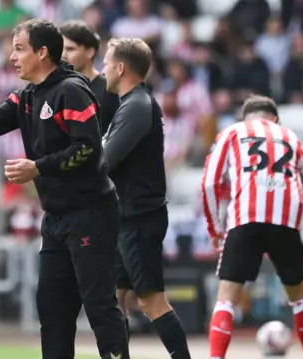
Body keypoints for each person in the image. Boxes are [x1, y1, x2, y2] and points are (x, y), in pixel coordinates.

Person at [0, 18, 129, 359]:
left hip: (91, 213)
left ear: (43, 52)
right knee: (51, 308)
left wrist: (38, 168)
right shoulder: (27, 96)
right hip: (57, 218)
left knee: (99, 306)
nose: (12, 56)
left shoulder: (71, 90)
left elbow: (89, 149)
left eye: (19, 49)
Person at [201, 95, 303, 359]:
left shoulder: (232, 132)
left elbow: (209, 182)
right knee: (300, 299)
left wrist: (215, 228)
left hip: (244, 220)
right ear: (275, 118)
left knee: (226, 299)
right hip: (285, 224)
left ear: (245, 118)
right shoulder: (290, 137)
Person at [101, 37, 192, 359]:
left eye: (106, 62)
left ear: (121, 67)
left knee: (151, 300)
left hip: (139, 217)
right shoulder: (131, 104)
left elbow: (105, 161)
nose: (103, 69)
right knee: (114, 300)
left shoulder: (137, 106)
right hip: (126, 216)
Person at [60, 20, 120, 135]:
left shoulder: (109, 88)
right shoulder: (56, 88)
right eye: (61, 49)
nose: (63, 55)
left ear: (90, 52)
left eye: (70, 49)